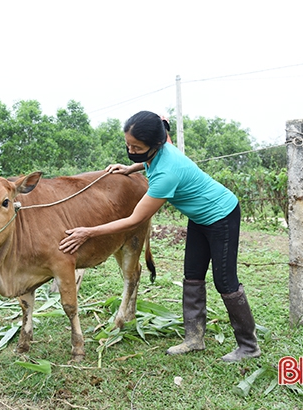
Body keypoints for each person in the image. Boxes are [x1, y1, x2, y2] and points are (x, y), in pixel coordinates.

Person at [59, 110, 261, 362]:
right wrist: (130, 167)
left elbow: (134, 219)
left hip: (221, 216)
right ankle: (194, 339)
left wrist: (88, 232)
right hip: (199, 217)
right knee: (193, 276)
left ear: (154, 144)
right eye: (128, 145)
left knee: (225, 281)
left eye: (137, 147)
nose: (131, 150)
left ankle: (248, 346)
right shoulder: (161, 145)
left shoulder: (167, 175)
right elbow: (150, 161)